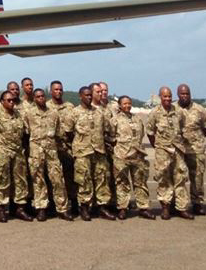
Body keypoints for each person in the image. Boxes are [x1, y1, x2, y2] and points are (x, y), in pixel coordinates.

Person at [24, 88, 73, 221]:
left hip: (52, 151)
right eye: (38, 97)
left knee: (58, 179)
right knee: (38, 181)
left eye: (42, 96)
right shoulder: (29, 114)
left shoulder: (53, 113)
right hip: (36, 151)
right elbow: (26, 132)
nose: (41, 99)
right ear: (34, 99)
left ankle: (62, 208)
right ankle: (41, 209)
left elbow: (58, 133)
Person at [68, 86, 115, 221]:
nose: (89, 97)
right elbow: (68, 132)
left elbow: (106, 129)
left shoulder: (99, 112)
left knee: (102, 179)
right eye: (86, 95)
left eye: (90, 95)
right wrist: (80, 144)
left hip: (99, 151)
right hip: (83, 152)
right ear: (80, 96)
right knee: (84, 180)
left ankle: (102, 208)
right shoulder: (74, 112)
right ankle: (84, 208)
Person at [146, 86, 193, 220]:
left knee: (180, 179)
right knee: (163, 180)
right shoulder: (155, 113)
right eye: (165, 96)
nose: (167, 99)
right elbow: (150, 132)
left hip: (178, 151)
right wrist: (158, 146)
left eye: (169, 96)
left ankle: (181, 208)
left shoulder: (178, 111)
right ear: (160, 97)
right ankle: (165, 207)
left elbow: (184, 128)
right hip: (162, 151)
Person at [0, 90, 31, 222]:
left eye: (13, 100)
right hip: (2, 151)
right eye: (9, 100)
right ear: (2, 102)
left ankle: (19, 208)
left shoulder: (19, 114)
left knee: (20, 181)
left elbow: (25, 132)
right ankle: (2, 209)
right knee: (2, 181)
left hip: (17, 152)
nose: (12, 102)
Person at [112, 95, 154, 220]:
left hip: (137, 156)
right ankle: (122, 208)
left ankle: (143, 208)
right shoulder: (115, 120)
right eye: (124, 104)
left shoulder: (137, 119)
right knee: (122, 183)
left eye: (129, 103)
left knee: (140, 183)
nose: (127, 106)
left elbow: (141, 135)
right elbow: (111, 137)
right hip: (122, 157)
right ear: (119, 105)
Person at [177, 83, 206, 215]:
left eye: (187, 93)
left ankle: (197, 203)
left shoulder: (199, 109)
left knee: (197, 177)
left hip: (196, 150)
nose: (185, 96)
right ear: (178, 94)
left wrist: (197, 140)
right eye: (182, 93)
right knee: (178, 177)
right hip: (179, 150)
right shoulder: (173, 108)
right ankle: (179, 204)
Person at [48, 80, 77, 211]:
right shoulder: (46, 106)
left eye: (60, 89)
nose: (58, 92)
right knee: (53, 177)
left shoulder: (70, 106)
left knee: (70, 176)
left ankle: (74, 202)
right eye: (56, 89)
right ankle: (53, 204)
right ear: (50, 91)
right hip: (52, 148)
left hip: (68, 147)